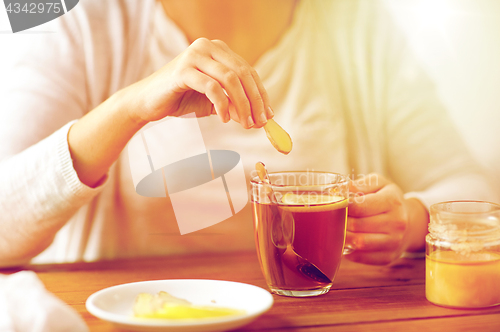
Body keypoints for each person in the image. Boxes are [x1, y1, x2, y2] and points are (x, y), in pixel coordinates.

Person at [0, 0, 495, 267]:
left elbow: (473, 194)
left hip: (316, 324)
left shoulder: (356, 23)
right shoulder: (79, 20)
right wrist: (129, 107)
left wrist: (408, 220)